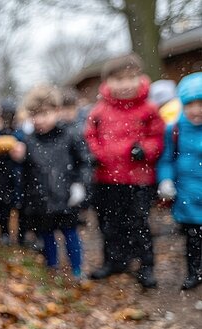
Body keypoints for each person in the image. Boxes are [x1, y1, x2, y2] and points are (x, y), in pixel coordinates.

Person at [84, 53, 165, 288]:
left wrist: (146, 149)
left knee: (138, 223)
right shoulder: (99, 111)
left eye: (131, 78)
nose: (125, 84)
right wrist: (95, 155)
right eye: (118, 79)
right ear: (108, 82)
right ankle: (115, 260)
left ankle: (146, 265)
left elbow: (157, 138)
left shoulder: (148, 109)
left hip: (138, 178)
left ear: (140, 78)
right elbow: (90, 137)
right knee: (110, 223)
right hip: (106, 177)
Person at [12, 85, 92, 280]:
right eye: (34, 115)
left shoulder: (70, 135)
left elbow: (85, 162)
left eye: (44, 114)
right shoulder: (29, 140)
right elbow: (26, 171)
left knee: (70, 234)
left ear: (56, 111)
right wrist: (19, 159)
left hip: (66, 197)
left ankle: (77, 269)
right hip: (41, 199)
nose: (39, 120)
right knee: (47, 236)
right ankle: (52, 268)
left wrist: (80, 185)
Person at [157, 72, 202, 290]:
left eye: (200, 103)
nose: (196, 110)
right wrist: (165, 180)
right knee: (192, 239)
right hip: (187, 195)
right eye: (190, 104)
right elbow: (167, 159)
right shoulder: (174, 129)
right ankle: (194, 272)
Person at [0, 99, 24, 245]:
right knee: (3, 206)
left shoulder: (19, 133)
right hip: (1, 174)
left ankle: (18, 237)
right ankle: (5, 233)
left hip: (14, 174)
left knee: (16, 205)